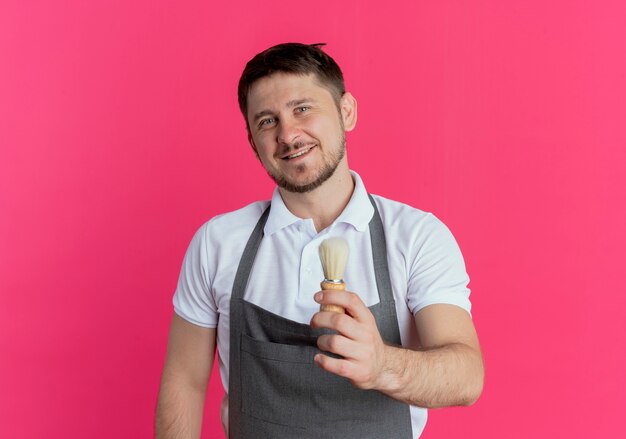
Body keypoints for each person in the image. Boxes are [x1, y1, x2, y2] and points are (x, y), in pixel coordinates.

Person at [156, 42, 484, 439]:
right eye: (266, 121)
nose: (288, 134)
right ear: (252, 142)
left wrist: (382, 365)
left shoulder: (416, 236)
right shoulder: (218, 242)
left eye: (302, 109)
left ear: (346, 112)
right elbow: (184, 381)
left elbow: (466, 376)